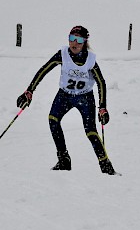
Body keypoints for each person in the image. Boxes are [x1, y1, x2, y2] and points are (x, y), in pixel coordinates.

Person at [16, 26, 119, 175]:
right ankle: (64, 160)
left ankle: (106, 166)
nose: (74, 43)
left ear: (84, 42)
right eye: (71, 38)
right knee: (53, 120)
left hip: (84, 97)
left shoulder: (90, 60)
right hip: (64, 95)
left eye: (79, 40)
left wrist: (102, 107)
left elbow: (101, 83)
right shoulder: (63, 54)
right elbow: (44, 69)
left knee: (91, 131)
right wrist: (29, 91)